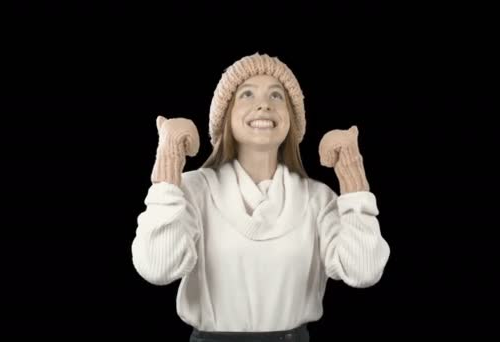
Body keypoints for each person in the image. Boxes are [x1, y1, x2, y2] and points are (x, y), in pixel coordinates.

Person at [131, 53, 390, 341]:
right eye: (247, 94)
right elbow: (156, 267)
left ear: (292, 119)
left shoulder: (317, 198)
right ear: (226, 115)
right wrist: (168, 166)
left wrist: (353, 178)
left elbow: (364, 271)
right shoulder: (194, 190)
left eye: (277, 95)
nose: (264, 104)